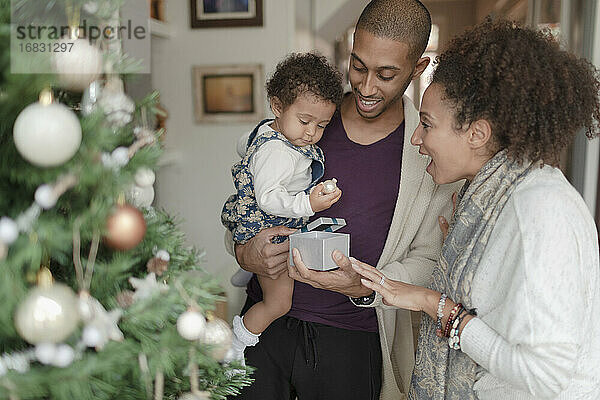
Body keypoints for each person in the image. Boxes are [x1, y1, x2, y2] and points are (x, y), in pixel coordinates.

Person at [319, 19, 600, 399]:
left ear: (477, 134)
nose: (416, 137)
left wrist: (437, 305)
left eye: (429, 124)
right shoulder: (485, 202)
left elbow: (546, 376)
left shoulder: (539, 210)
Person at [225, 1, 461, 398]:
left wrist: (364, 286)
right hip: (263, 324)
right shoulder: (306, 118)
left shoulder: (426, 150)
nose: (367, 87)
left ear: (418, 68)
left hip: (353, 340)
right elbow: (245, 201)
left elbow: (427, 258)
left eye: (386, 75)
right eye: (358, 66)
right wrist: (242, 251)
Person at [221, 52, 343, 366]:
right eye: (304, 121)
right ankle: (235, 347)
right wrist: (308, 203)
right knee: (278, 303)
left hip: (263, 222)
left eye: (322, 125)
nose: (312, 133)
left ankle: (245, 269)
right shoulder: (278, 151)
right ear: (278, 106)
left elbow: (244, 142)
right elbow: (268, 199)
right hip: (267, 225)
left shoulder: (272, 133)